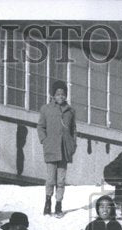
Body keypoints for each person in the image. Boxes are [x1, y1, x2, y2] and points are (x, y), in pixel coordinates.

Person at [37, 80, 77, 217]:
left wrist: (73, 145)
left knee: (61, 180)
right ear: (53, 95)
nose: (61, 96)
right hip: (51, 148)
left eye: (63, 94)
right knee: (50, 179)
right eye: (58, 94)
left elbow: (73, 130)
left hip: (65, 150)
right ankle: (47, 202)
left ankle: (58, 204)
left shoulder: (70, 111)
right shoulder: (46, 109)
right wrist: (44, 140)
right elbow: (40, 126)